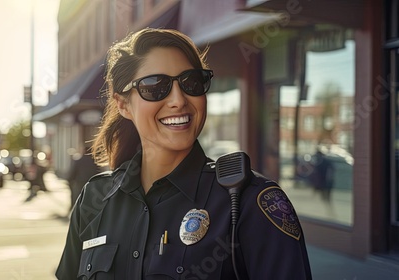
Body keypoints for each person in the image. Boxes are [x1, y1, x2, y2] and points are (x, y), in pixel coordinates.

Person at [56, 28, 312, 279]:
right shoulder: (94, 199)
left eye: (191, 82)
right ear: (123, 104)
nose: (178, 99)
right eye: (155, 86)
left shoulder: (249, 202)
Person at [66, 147, 101, 212]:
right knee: (90, 197)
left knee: (79, 196)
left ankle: (77, 210)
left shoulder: (79, 161)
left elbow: (74, 171)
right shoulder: (95, 162)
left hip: (81, 181)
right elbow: (99, 172)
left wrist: (69, 180)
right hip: (92, 182)